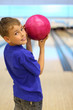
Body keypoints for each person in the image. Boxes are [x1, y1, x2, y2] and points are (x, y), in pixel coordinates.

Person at [0, 17, 48, 110]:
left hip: (19, 94)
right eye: (16, 33)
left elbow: (28, 58)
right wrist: (42, 47)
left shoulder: (7, 48)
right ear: (7, 38)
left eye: (22, 29)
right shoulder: (23, 54)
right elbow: (39, 70)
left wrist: (28, 42)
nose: (22, 34)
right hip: (32, 98)